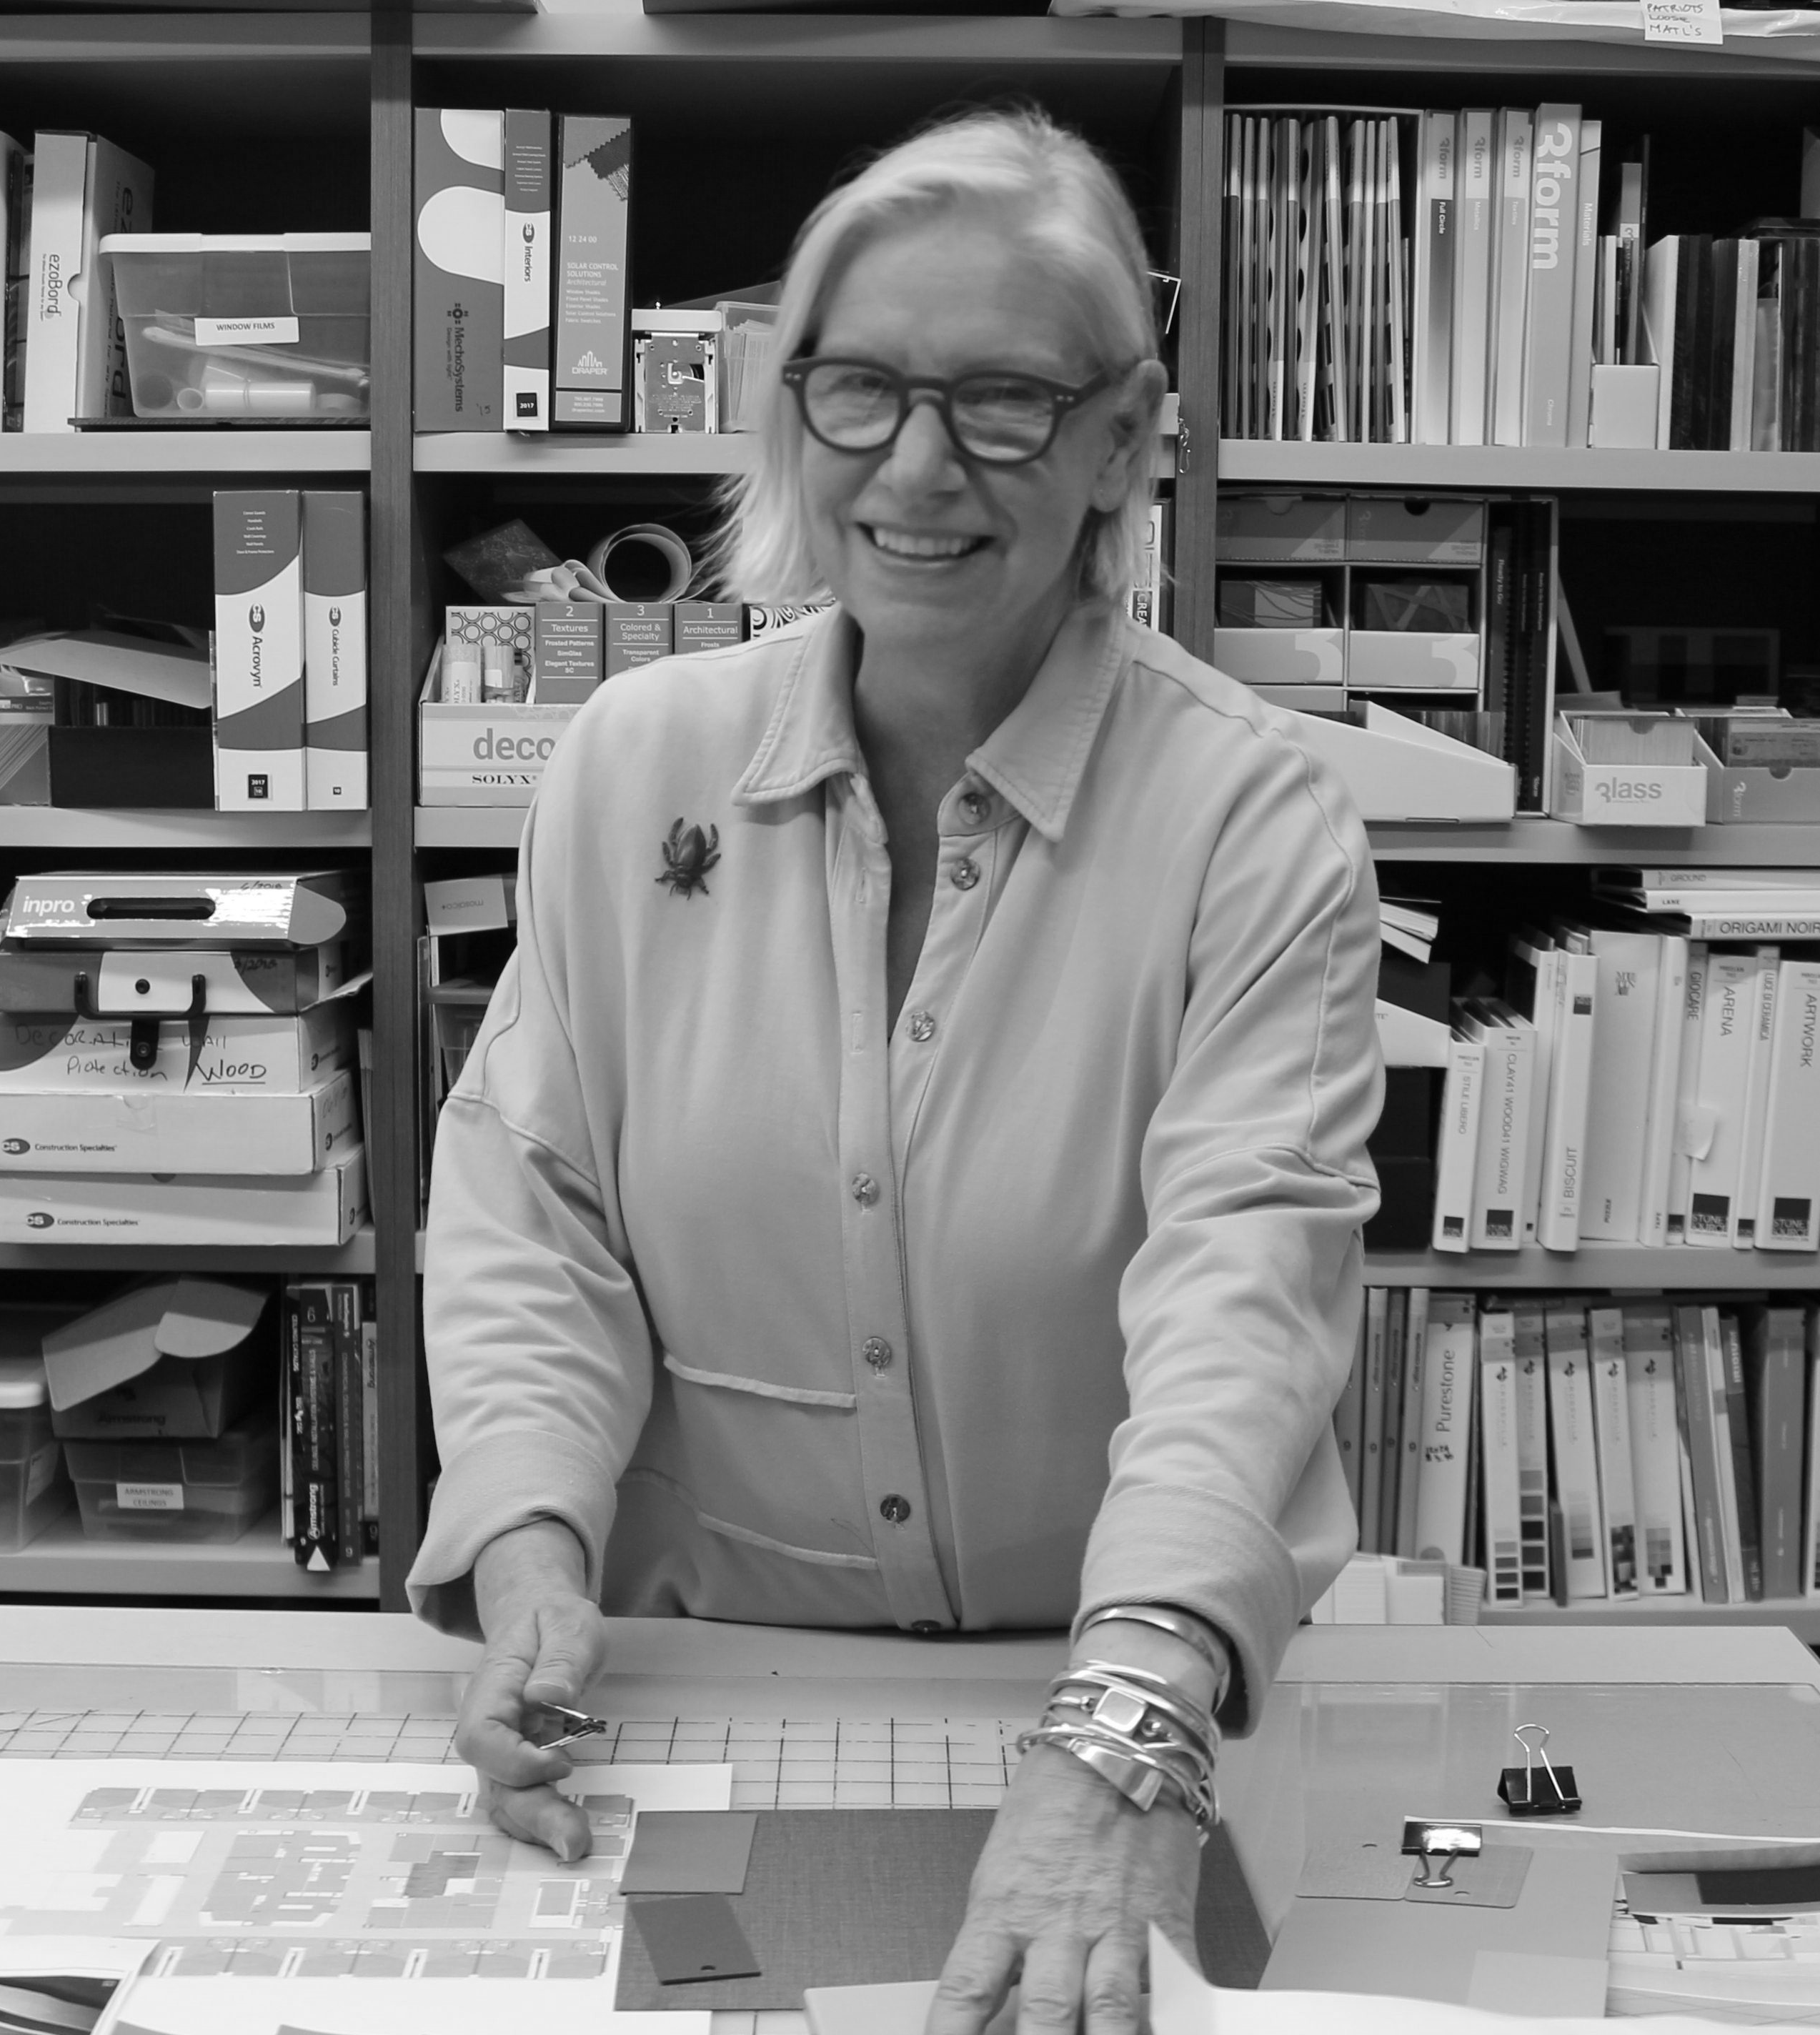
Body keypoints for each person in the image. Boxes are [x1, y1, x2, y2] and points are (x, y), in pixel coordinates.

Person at [413, 106, 1382, 2034]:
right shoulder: (630, 766)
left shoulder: (1252, 818)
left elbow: (1244, 1297)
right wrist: (527, 1549)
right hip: (704, 1697)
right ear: (792, 410)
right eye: (859, 388)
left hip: (1106, 1682)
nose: (919, 468)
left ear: (1126, 437)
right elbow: (538, 1210)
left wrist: (1125, 1727)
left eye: (1006, 401)